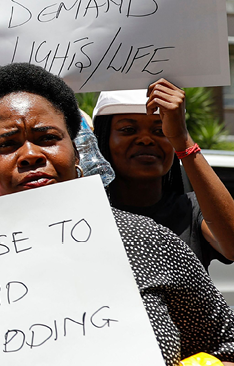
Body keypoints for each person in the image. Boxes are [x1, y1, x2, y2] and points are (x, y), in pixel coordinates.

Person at [0, 63, 234, 366]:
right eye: (7, 144)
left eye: (48, 138)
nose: (30, 154)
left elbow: (223, 346)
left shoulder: (147, 240)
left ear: (76, 152)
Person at [90, 81, 234, 269]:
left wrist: (182, 139)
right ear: (103, 138)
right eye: (128, 130)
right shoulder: (85, 217)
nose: (145, 139)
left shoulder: (193, 211)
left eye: (160, 131)